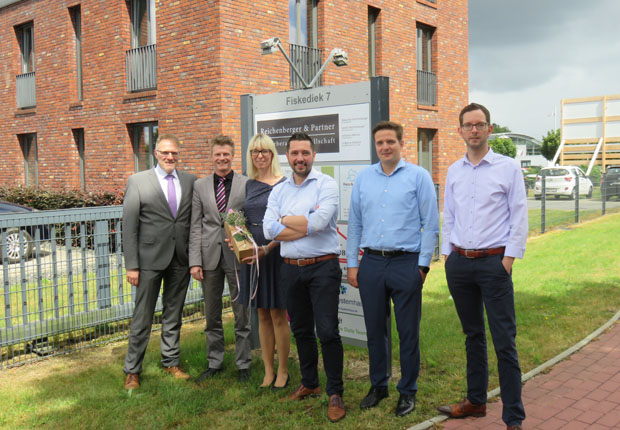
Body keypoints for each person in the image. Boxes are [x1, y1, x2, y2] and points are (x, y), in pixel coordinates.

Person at [437, 103, 528, 430]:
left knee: (504, 341)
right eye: (468, 125)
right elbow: (448, 216)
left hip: (494, 264)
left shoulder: (507, 168)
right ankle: (475, 401)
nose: (474, 130)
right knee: (472, 334)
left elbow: (519, 216)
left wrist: (507, 261)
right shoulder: (454, 170)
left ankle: (513, 418)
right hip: (460, 264)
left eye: (480, 124)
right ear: (460, 130)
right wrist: (447, 256)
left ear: (489, 129)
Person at [346, 121, 439, 417]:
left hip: (406, 263)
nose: (385, 147)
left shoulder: (418, 177)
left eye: (390, 142)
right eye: (380, 143)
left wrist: (423, 266)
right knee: (375, 330)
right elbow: (356, 223)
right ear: (375, 146)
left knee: (408, 332)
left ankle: (407, 391)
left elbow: (431, 223)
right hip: (372, 262)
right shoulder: (364, 178)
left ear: (401, 144)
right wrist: (352, 264)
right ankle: (378, 385)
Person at [263, 132, 346, 423]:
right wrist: (304, 223)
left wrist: (284, 221)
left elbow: (322, 223)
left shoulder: (327, 184)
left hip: (322, 267)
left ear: (313, 155)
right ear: (288, 156)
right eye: (295, 153)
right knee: (300, 329)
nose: (300, 158)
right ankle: (310, 382)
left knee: (327, 331)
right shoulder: (279, 190)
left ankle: (335, 392)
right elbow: (266, 229)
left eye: (305, 153)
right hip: (289, 267)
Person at [122, 133, 197, 390]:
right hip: (148, 261)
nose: (170, 157)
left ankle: (170, 362)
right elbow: (129, 227)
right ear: (156, 154)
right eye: (165, 152)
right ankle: (132, 370)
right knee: (142, 317)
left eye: (174, 153)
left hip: (180, 258)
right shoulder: (138, 181)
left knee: (173, 314)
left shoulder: (189, 181)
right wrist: (131, 265)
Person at [189, 135, 251, 382]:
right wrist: (195, 261)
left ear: (232, 155)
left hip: (236, 256)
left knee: (241, 313)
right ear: (212, 156)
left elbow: (248, 219)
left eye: (226, 154)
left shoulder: (246, 183)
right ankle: (214, 362)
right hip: (208, 257)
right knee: (212, 314)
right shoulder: (200, 186)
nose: (222, 158)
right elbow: (195, 225)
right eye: (218, 154)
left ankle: (244, 364)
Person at [238, 134, 290, 389]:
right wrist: (239, 242)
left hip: (276, 252)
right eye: (254, 151)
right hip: (254, 257)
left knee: (279, 314)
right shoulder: (250, 185)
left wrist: (268, 248)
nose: (259, 155)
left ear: (272, 154)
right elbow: (245, 221)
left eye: (264, 151)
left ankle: (283, 370)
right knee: (261, 313)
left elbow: (288, 223)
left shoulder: (285, 183)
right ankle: (268, 370)